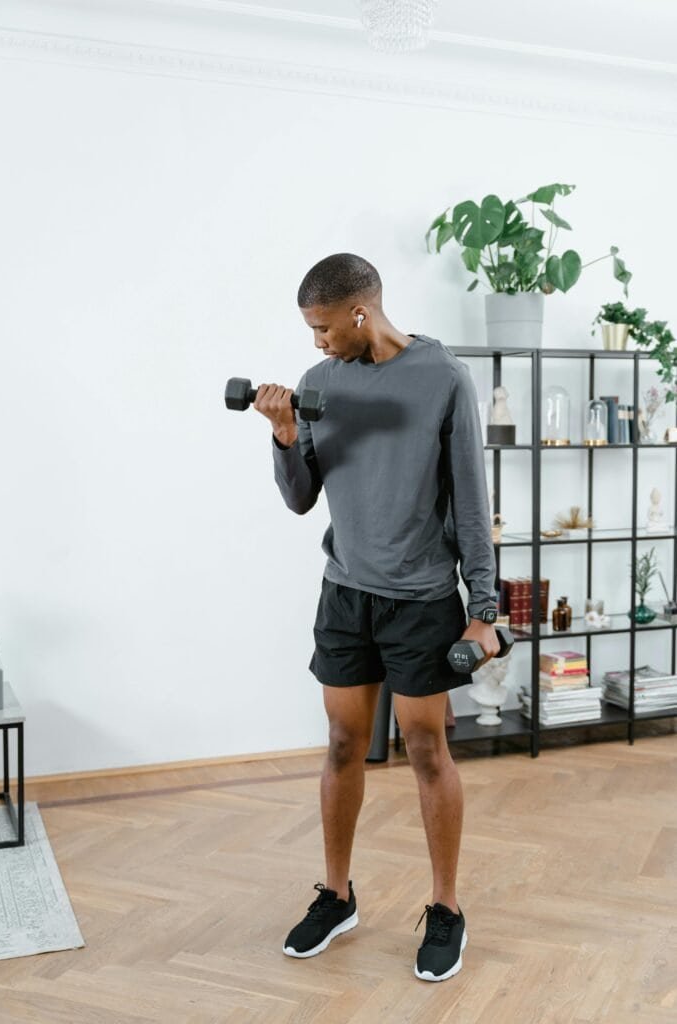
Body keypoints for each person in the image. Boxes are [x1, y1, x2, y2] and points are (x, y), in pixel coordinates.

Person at [253, 253, 499, 983]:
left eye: (324, 328)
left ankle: (446, 908)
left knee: (425, 749)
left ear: (360, 313)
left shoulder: (442, 378)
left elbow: (470, 500)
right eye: (311, 330)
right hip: (345, 594)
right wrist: (284, 435)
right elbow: (301, 498)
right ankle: (337, 896)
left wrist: (483, 610)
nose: (317, 342)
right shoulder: (320, 382)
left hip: (421, 599)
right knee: (341, 744)